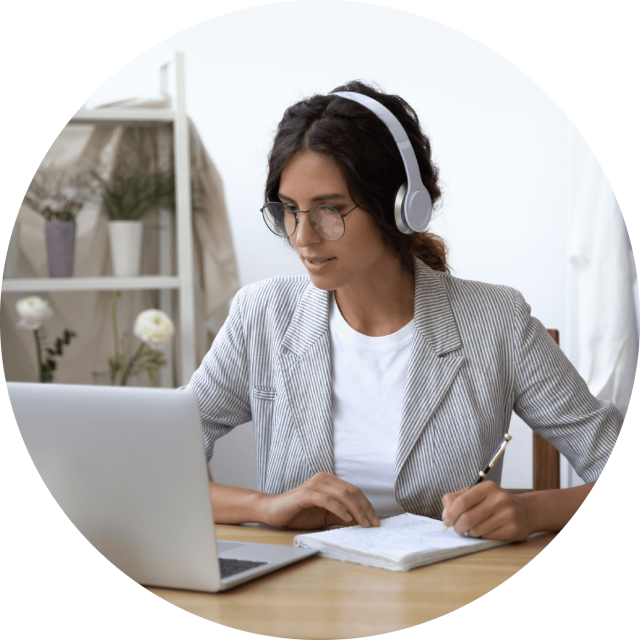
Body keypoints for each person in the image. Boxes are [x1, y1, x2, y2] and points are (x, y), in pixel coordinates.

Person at [184, 80, 623, 542]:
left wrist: (532, 511)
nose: (302, 237)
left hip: (443, 593)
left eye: (329, 211)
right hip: (301, 591)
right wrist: (267, 507)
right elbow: (157, 459)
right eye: (290, 210)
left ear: (399, 208)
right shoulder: (262, 315)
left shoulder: (498, 322)